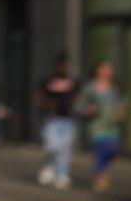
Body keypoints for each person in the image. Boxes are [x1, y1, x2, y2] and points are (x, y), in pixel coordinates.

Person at [75, 60, 126, 193]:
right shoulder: (90, 88)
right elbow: (78, 106)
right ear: (97, 70)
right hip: (96, 125)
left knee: (113, 149)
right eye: (103, 68)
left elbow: (122, 103)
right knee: (102, 149)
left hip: (112, 125)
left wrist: (121, 110)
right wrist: (87, 110)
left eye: (108, 69)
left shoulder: (115, 88)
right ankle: (101, 176)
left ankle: (102, 172)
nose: (106, 72)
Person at [38, 54, 78, 189]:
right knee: (52, 146)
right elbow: (40, 97)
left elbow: (76, 99)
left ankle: (62, 175)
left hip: (67, 120)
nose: (64, 68)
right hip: (52, 120)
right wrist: (47, 107)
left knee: (64, 149)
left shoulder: (72, 82)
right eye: (61, 66)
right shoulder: (48, 82)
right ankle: (49, 166)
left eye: (66, 66)